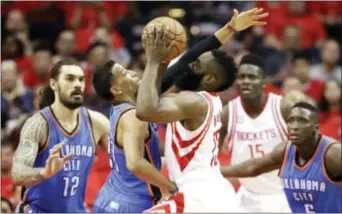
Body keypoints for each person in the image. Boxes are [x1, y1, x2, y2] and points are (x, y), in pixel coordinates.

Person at [136, 8, 268, 213]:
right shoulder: (205, 100)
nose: (188, 66)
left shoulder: (194, 102)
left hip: (199, 197)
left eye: (195, 66)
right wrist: (228, 30)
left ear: (209, 79)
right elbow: (175, 71)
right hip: (213, 194)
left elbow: (144, 109)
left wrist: (154, 60)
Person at [11, 59, 109, 213]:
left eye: (81, 79)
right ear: (54, 84)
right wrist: (44, 172)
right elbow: (17, 173)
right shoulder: (38, 124)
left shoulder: (97, 122)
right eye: (70, 78)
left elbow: (126, 160)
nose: (77, 84)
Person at [218, 54, 313, 212]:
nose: (246, 81)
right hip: (247, 196)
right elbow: (210, 157)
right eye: (242, 77)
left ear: (264, 81)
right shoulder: (228, 113)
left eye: (252, 77)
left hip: (283, 194)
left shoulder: (283, 108)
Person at [220, 102, 341, 213]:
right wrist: (213, 171)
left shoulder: (333, 154)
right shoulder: (284, 151)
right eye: (291, 120)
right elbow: (253, 167)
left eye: (302, 121)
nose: (294, 126)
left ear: (316, 128)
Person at [91, 60, 178, 213]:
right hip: (129, 204)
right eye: (125, 73)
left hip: (109, 197)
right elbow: (134, 163)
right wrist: (171, 187)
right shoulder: (132, 116)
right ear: (116, 89)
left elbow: (131, 162)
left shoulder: (118, 109)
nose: (133, 73)